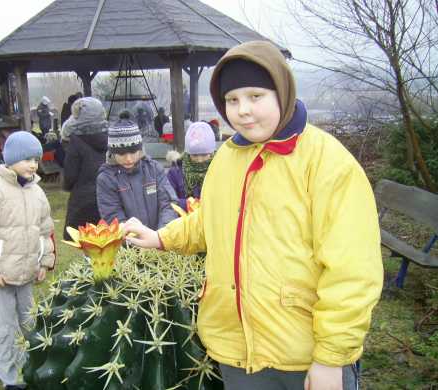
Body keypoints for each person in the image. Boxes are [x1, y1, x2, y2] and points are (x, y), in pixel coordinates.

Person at [123, 40, 383, 390]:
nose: (242, 110)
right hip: (237, 352)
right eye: (232, 100)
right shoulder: (228, 158)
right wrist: (161, 238)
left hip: (304, 355)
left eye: (255, 96)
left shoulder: (328, 163)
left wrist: (330, 359)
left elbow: (353, 271)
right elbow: (210, 220)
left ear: (282, 91)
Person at [0, 131, 56, 390]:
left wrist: (44, 262)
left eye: (36, 159)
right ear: (10, 159)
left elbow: (45, 230)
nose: (32, 164)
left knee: (30, 323)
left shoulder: (37, 193)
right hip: (1, 278)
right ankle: (11, 378)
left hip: (27, 274)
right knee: (5, 329)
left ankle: (30, 366)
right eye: (26, 158)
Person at [96, 113, 177, 230]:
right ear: (113, 152)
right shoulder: (106, 179)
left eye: (133, 152)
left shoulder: (154, 169)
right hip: (128, 245)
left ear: (140, 149)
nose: (128, 159)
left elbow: (168, 204)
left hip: (160, 240)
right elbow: (112, 216)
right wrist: (138, 238)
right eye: (122, 153)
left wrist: (161, 235)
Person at [63, 97, 109, 240]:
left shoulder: (76, 142)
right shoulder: (112, 138)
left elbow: (70, 176)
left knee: (87, 244)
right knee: (108, 240)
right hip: (108, 198)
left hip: (83, 200)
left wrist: (67, 185)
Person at [167, 121, 216, 209]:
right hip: (184, 219)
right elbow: (169, 199)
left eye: (204, 155)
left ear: (212, 152)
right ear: (188, 153)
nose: (199, 160)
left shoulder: (221, 169)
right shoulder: (176, 172)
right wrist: (188, 204)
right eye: (195, 155)